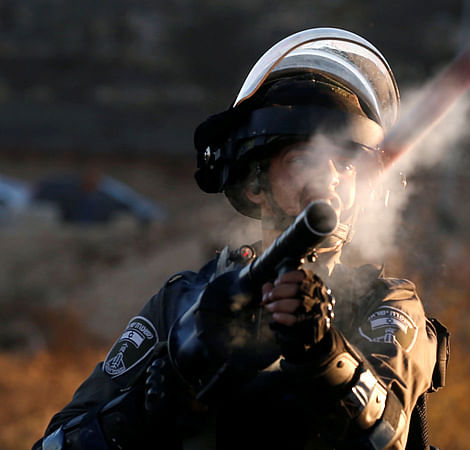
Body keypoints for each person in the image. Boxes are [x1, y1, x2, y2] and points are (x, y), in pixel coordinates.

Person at [34, 28, 448, 450]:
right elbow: (55, 444)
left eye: (346, 164)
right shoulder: (186, 303)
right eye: (302, 159)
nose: (327, 179)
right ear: (255, 183)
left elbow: (387, 436)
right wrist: (163, 393)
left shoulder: (384, 304)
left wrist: (324, 354)